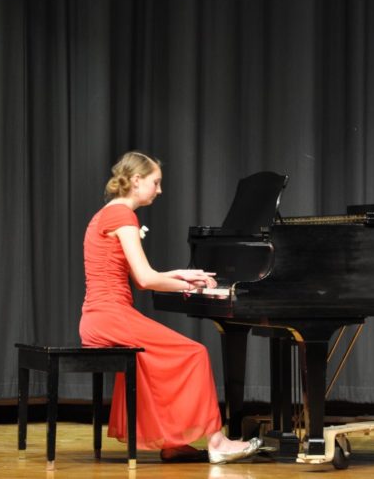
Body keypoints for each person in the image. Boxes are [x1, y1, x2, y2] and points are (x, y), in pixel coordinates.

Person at [79, 151, 262, 464]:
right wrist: (191, 286)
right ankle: (217, 441)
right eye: (156, 182)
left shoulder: (109, 213)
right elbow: (146, 279)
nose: (160, 190)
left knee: (161, 360)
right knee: (194, 354)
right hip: (110, 315)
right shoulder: (123, 215)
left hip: (101, 316)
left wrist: (179, 275)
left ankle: (172, 441)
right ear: (136, 181)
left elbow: (139, 278)